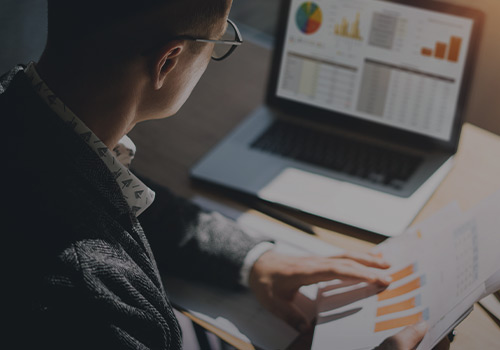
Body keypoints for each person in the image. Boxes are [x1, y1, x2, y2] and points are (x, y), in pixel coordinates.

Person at [2, 0, 448, 349]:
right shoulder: (91, 297)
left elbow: (103, 193)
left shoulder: (22, 116)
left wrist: (252, 260)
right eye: (218, 42)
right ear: (168, 62)